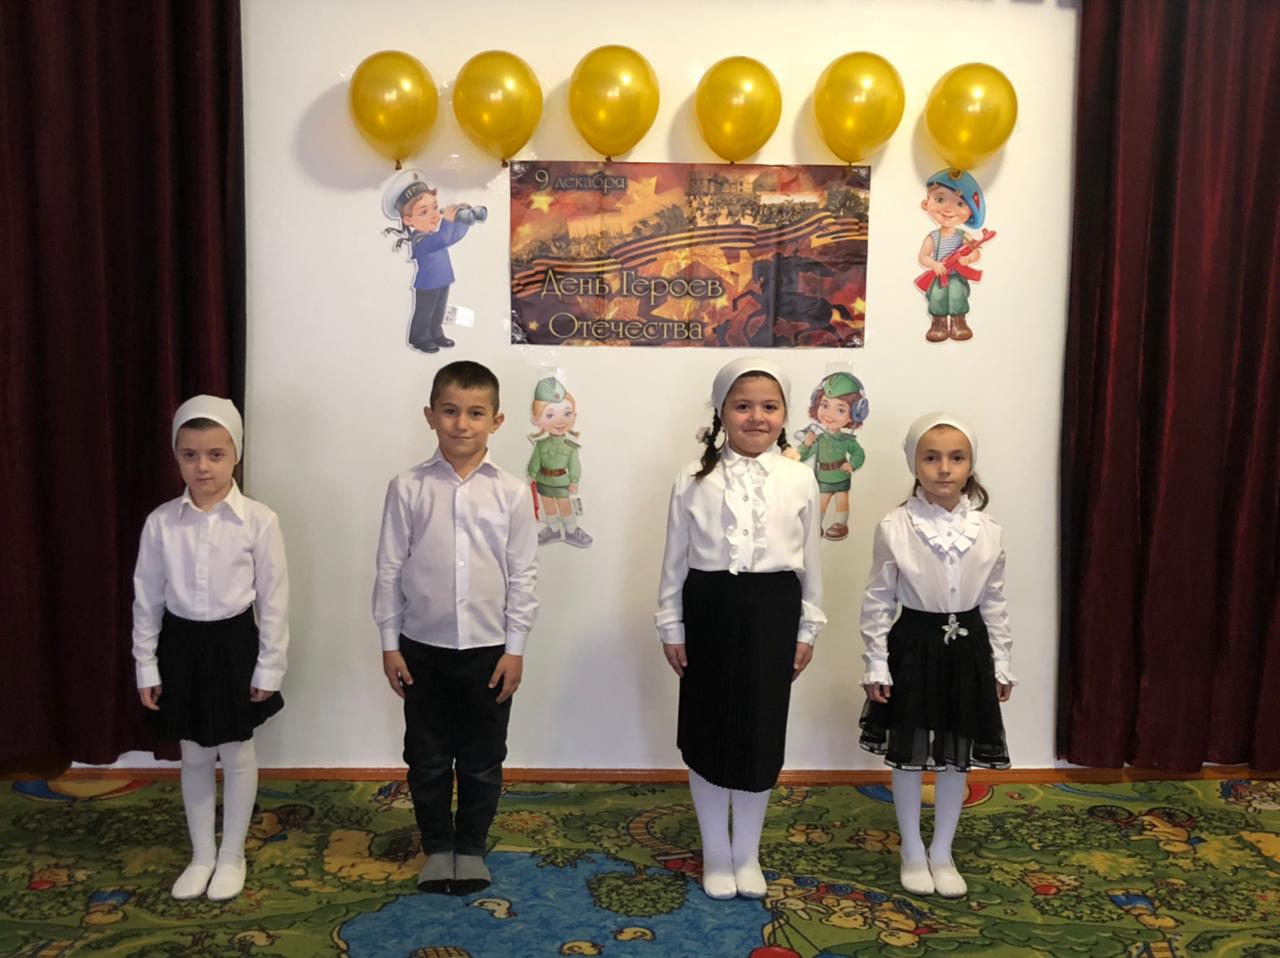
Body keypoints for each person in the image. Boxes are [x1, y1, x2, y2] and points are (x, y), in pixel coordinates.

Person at [655, 357, 826, 901]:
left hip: (774, 610)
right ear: (722, 412)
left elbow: (811, 562)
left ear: (785, 415)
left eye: (769, 406)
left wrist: (808, 628)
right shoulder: (692, 478)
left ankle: (747, 853)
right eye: (743, 406)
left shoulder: (800, 478)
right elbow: (674, 560)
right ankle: (716, 851)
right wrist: (670, 624)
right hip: (709, 608)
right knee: (709, 728)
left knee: (760, 731)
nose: (757, 417)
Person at [373, 360, 538, 895]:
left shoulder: (512, 492)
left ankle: (470, 848)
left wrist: (515, 648)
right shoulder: (407, 487)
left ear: (497, 421)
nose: (461, 424)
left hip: (490, 652)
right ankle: (436, 847)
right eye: (450, 411)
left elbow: (523, 575)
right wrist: (389, 644)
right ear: (430, 415)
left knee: (482, 760)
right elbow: (389, 568)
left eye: (475, 413)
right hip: (421, 649)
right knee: (425, 759)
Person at [132, 395, 289, 901]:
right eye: (190, 454)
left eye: (216, 454)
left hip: (233, 645)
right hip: (182, 646)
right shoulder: (161, 523)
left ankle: (232, 854)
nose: (203, 466)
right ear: (176, 456)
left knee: (236, 751)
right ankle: (202, 854)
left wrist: (269, 667)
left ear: (235, 455)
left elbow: (275, 600)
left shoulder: (260, 520)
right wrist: (145, 665)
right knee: (195, 753)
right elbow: (147, 598)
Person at [859, 412, 1014, 898]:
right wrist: (876, 661)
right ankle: (911, 849)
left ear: (970, 465)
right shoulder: (895, 527)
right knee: (908, 751)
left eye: (956, 457)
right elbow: (878, 599)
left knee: (956, 754)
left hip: (968, 650)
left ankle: (942, 851)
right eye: (931, 458)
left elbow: (994, 601)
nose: (944, 468)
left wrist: (1002, 662)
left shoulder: (988, 530)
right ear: (914, 464)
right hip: (914, 646)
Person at [796, 371, 869, 540]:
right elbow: (802, 456)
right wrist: (806, 444)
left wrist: (853, 465)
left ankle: (840, 524)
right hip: (824, 477)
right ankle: (816, 526)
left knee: (842, 501)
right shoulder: (818, 439)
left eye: (841, 409)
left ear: (855, 414)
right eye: (825, 405)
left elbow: (859, 453)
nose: (829, 414)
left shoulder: (847, 440)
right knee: (821, 503)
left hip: (842, 475)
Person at [917, 169, 986, 343]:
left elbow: (976, 251)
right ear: (926, 204)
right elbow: (923, 257)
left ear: (970, 212)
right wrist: (935, 265)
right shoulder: (933, 237)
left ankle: (959, 323)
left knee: (957, 295)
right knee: (937, 297)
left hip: (956, 276)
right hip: (939, 275)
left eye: (960, 204)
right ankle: (938, 324)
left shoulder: (963, 236)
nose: (948, 209)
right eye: (940, 200)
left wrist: (968, 258)